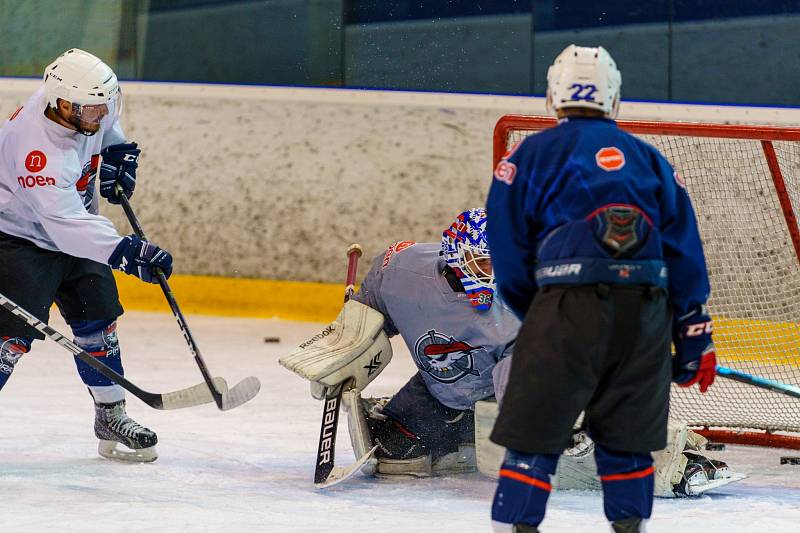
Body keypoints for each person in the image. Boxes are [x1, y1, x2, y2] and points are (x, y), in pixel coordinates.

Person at [485, 44, 717, 532]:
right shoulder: (650, 159)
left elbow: (507, 258)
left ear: (553, 93)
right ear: (613, 97)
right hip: (646, 316)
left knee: (534, 439)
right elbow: (683, 252)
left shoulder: (526, 155)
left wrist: (547, 310)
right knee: (628, 443)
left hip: (563, 308)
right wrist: (694, 332)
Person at [0, 49, 173, 462]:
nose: (102, 114)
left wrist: (117, 151)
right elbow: (64, 225)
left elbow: (109, 128)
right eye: (93, 110)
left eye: (105, 105)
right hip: (21, 240)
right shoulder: (34, 148)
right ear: (62, 104)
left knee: (99, 323)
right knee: (9, 339)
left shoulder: (90, 102)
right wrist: (125, 250)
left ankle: (110, 415)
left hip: (80, 232)